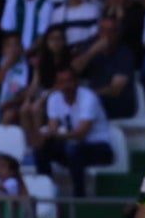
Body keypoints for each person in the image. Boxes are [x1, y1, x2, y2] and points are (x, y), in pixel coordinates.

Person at [32, 66, 113, 198]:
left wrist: (53, 134)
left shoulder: (88, 98)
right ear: (57, 85)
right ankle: (47, 193)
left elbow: (81, 134)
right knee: (41, 150)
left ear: (77, 82)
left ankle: (79, 198)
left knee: (74, 150)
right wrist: (43, 135)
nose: (66, 86)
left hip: (99, 147)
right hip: (71, 147)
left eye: (69, 81)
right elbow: (52, 128)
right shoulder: (54, 99)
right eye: (61, 82)